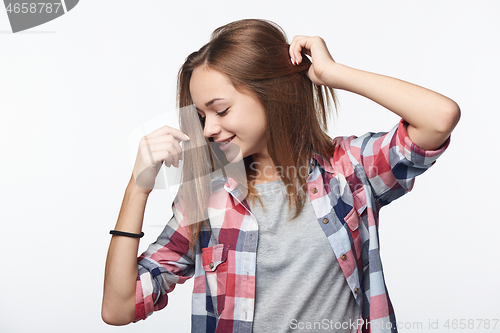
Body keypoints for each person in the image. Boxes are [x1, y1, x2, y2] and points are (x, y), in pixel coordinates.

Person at [101, 19, 460, 333]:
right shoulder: (206, 200)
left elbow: (439, 118)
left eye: (220, 110)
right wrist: (138, 188)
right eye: (201, 115)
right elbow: (119, 309)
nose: (208, 129)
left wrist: (332, 74)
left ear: (271, 93)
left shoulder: (349, 170)